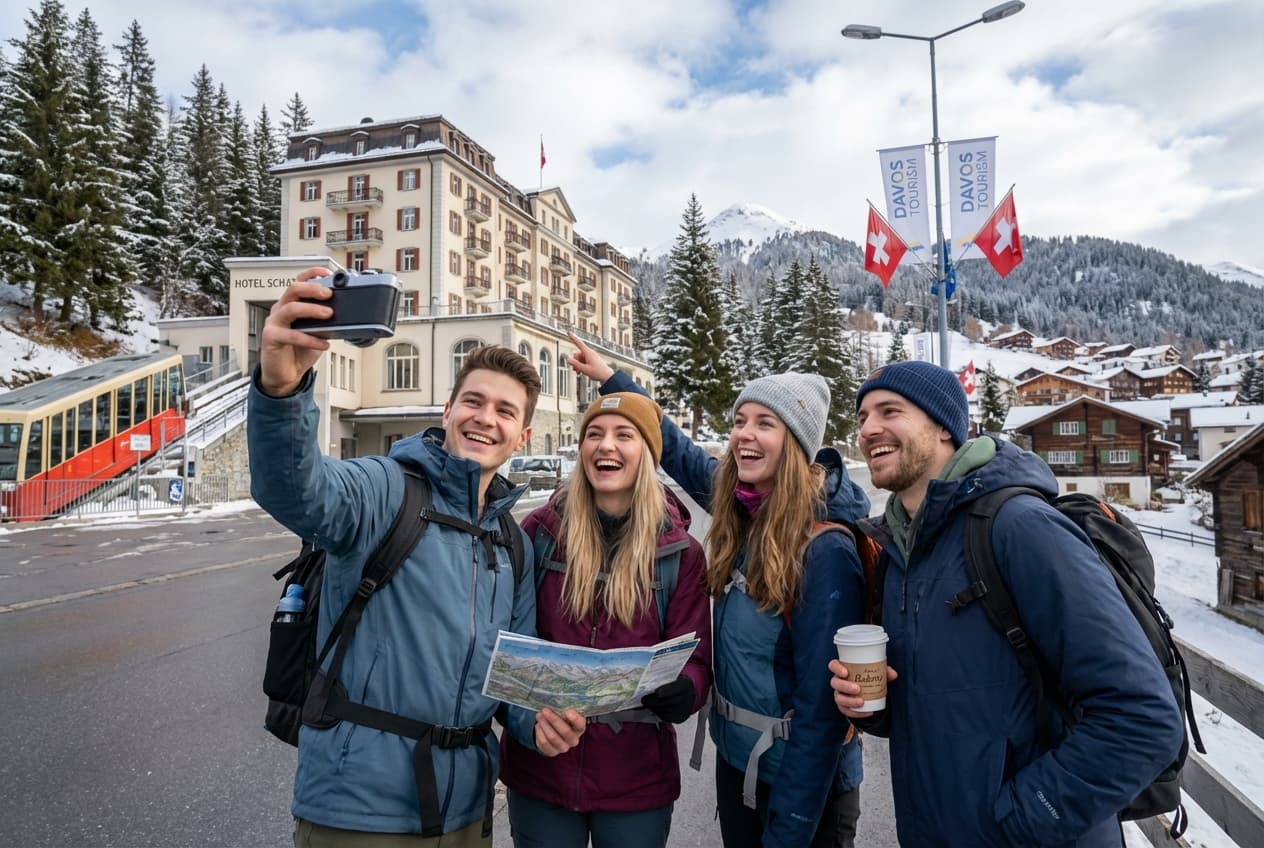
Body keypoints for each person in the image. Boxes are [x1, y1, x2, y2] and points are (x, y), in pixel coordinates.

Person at [250, 267, 586, 847]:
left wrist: (541, 724)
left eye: (505, 411)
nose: (486, 418)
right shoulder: (385, 489)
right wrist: (282, 390)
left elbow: (518, 680)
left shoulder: (513, 542)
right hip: (358, 810)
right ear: (448, 410)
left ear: (522, 436)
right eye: (473, 402)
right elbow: (296, 489)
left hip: (465, 812)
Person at [829, 360, 1184, 847]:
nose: (869, 428)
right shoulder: (899, 553)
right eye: (863, 416)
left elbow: (1144, 718)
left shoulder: (1018, 527)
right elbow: (946, 703)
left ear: (943, 427)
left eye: (889, 411)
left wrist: (1021, 819)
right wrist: (872, 707)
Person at [567, 333, 869, 848]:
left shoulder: (824, 549)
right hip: (742, 767)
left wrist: (791, 830)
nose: (743, 436)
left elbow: (822, 713)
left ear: (797, 442)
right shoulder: (743, 507)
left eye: (764, 423)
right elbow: (680, 455)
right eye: (739, 422)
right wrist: (614, 382)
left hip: (805, 786)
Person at [500, 392, 714, 848]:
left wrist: (687, 691)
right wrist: (527, 723)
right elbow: (509, 645)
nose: (605, 446)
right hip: (543, 772)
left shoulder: (681, 553)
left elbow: (696, 659)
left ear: (648, 453)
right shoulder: (538, 533)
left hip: (636, 779)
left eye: (624, 435)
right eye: (593, 434)